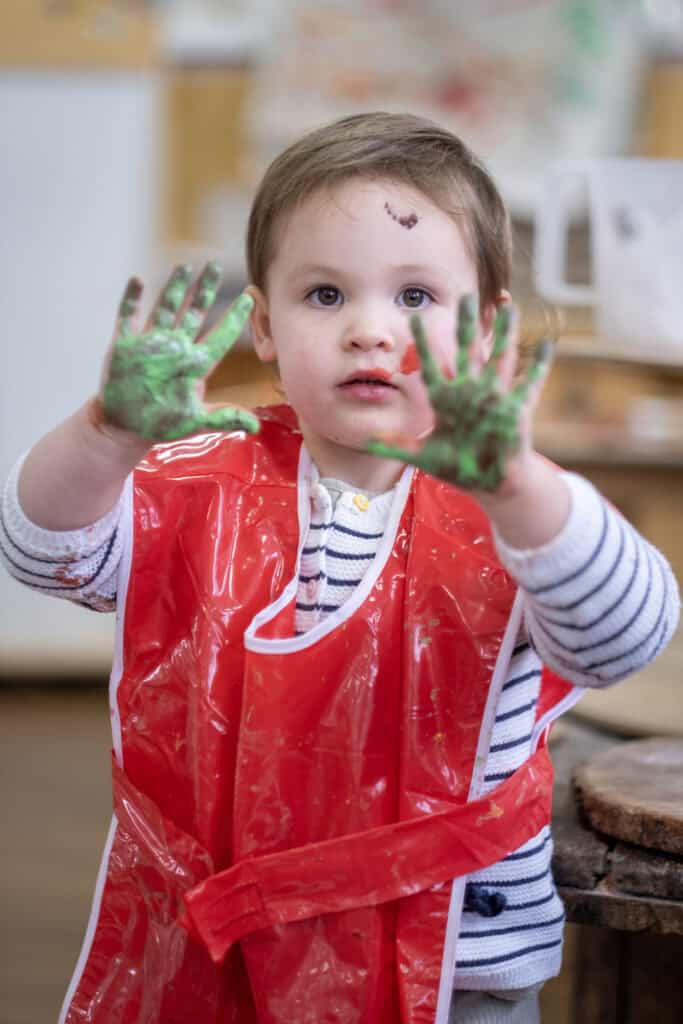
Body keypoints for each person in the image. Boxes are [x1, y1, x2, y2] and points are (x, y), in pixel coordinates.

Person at [1, 111, 679, 1024]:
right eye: (324, 294)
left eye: (415, 296)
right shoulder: (198, 484)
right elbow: (45, 554)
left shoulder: (521, 508)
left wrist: (521, 489)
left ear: (489, 331)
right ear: (264, 327)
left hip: (457, 962)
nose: (368, 330)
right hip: (230, 947)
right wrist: (104, 435)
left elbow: (626, 639)